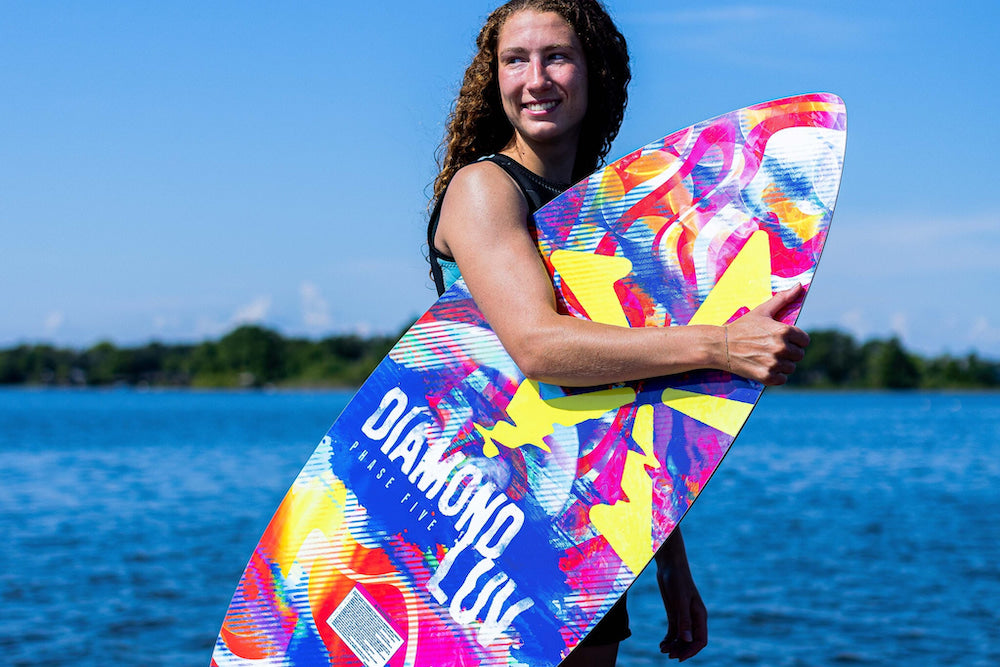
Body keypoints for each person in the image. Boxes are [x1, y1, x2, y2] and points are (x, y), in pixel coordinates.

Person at [426, 1, 809, 663]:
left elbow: (622, 401)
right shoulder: (485, 188)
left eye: (557, 56)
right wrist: (721, 345)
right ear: (494, 79)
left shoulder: (599, 215)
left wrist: (665, 557)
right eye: (515, 60)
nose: (535, 78)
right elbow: (539, 346)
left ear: (595, 71)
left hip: (582, 531)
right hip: (481, 533)